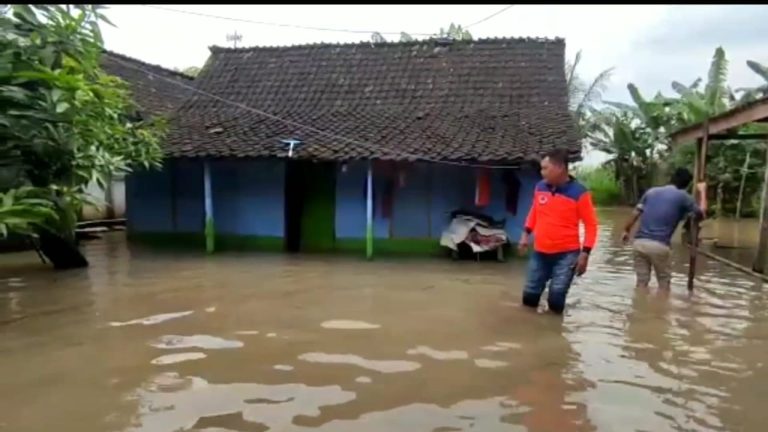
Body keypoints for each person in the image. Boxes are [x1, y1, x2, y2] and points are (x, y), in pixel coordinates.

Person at [518, 148, 598, 314]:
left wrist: (585, 254)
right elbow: (534, 211)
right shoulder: (540, 187)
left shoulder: (580, 193)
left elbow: (591, 225)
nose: (542, 172)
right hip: (540, 252)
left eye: (545, 168)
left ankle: (554, 333)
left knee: (556, 299)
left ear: (560, 168)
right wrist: (526, 233)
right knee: (529, 298)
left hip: (567, 255)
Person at [621, 168, 706, 291]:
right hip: (659, 245)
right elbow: (702, 214)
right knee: (664, 284)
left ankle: (640, 307)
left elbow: (635, 213)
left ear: (671, 179)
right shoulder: (684, 197)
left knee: (641, 282)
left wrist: (626, 230)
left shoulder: (651, 192)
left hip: (639, 243)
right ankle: (662, 308)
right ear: (687, 184)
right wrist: (702, 191)